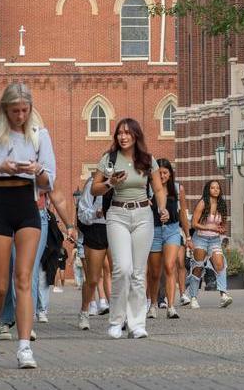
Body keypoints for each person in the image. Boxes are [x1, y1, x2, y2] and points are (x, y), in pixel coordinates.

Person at [0, 82, 57, 369]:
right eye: (15, 110)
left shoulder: (39, 135)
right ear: (5, 109)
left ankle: (24, 347)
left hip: (26, 203)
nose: (20, 115)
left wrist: (37, 170)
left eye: (25, 110)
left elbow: (48, 182)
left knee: (24, 279)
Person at [91, 117, 169, 339]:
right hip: (117, 214)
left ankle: (137, 324)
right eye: (119, 133)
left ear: (136, 136)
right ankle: (116, 321)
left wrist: (162, 208)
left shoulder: (147, 160)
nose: (123, 137)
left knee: (137, 272)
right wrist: (110, 183)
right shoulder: (109, 159)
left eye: (127, 133)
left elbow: (159, 189)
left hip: (143, 214)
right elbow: (94, 189)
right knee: (122, 269)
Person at [147, 158, 190, 319]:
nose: (163, 175)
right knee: (154, 272)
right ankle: (152, 304)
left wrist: (188, 236)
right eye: (160, 173)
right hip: (154, 231)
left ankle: (171, 306)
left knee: (170, 266)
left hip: (172, 230)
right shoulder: (150, 189)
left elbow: (183, 214)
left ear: (171, 174)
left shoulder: (178, 189)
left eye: (165, 173)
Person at [186, 179, 235, 309]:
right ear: (208, 189)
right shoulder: (203, 203)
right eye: (212, 188)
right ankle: (194, 297)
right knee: (198, 267)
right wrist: (210, 228)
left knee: (220, 265)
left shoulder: (222, 205)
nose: (215, 190)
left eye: (217, 188)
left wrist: (221, 230)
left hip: (214, 240)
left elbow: (222, 224)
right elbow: (194, 224)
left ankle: (224, 295)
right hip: (200, 238)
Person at [76, 178, 112, 330]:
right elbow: (82, 212)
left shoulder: (126, 182)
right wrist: (97, 213)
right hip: (96, 229)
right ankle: (84, 311)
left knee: (121, 273)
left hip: (117, 227)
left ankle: (120, 314)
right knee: (93, 278)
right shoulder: (93, 183)